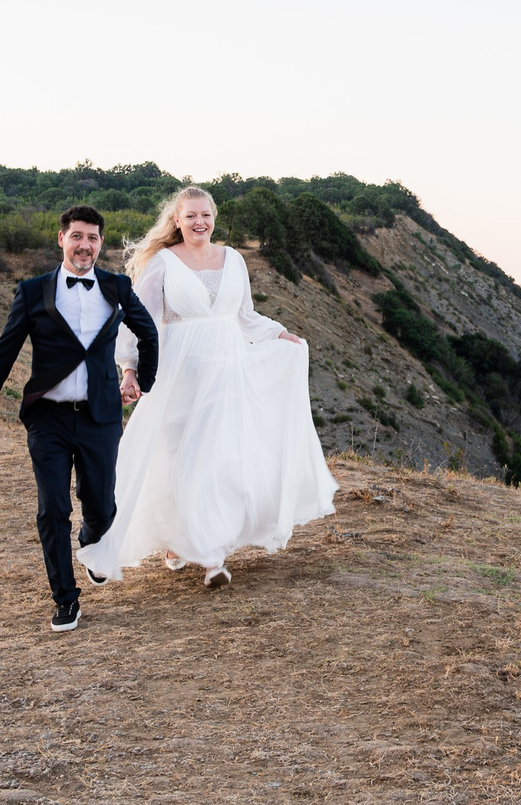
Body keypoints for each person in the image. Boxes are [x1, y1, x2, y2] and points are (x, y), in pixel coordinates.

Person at [79, 185, 337, 590]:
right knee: (175, 460)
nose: (199, 222)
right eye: (191, 216)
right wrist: (129, 368)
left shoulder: (233, 259)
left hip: (227, 373)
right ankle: (175, 540)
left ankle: (212, 556)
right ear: (177, 221)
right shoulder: (162, 263)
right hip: (178, 375)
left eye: (206, 215)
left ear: (214, 218)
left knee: (217, 460)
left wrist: (281, 334)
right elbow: (138, 320)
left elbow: (245, 315)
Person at [0, 206, 160, 633]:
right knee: (52, 509)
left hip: (100, 416)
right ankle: (66, 599)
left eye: (92, 238)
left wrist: (141, 381)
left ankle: (91, 541)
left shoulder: (117, 286)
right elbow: (4, 353)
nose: (84, 245)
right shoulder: (34, 291)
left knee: (101, 508)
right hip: (48, 418)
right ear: (61, 239)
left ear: (100, 244)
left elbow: (148, 332)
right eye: (76, 236)